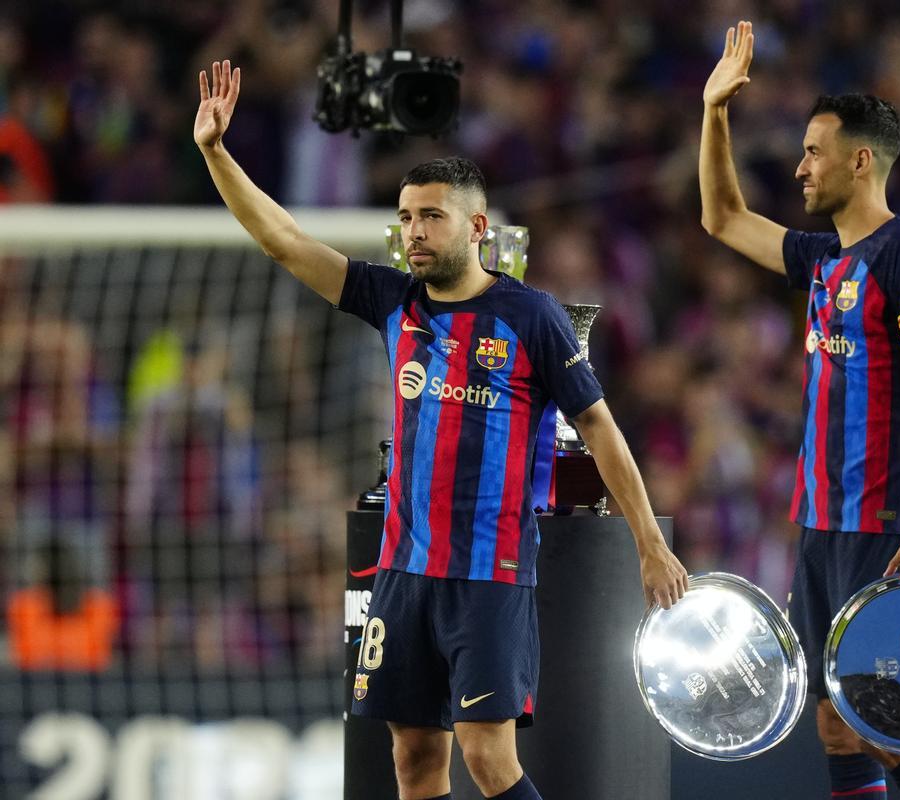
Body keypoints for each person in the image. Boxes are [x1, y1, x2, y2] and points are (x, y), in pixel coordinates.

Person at [194, 60, 687, 800]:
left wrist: (649, 544)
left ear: (478, 227)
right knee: (413, 760)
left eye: (430, 216)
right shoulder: (392, 299)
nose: (413, 232)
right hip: (402, 574)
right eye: (405, 217)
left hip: (487, 575)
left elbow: (601, 429)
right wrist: (215, 153)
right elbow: (285, 242)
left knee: (490, 762)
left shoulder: (532, 317)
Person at [700, 22, 900, 800]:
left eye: (814, 151)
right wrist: (714, 114)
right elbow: (722, 219)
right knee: (836, 724)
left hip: (880, 522)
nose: (800, 165)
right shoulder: (824, 260)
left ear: (860, 159)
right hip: (820, 523)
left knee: (880, 723)